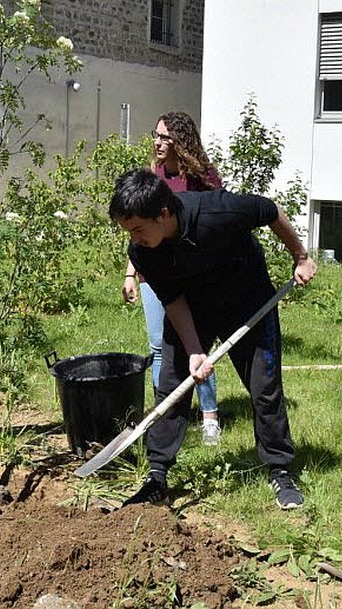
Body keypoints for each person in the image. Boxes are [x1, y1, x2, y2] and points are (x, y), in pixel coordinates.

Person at [109, 169, 317, 510]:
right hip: (193, 308)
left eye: (137, 229)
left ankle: (280, 469)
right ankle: (157, 476)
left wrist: (301, 257)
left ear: (162, 214)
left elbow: (270, 210)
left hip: (248, 301)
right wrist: (194, 351)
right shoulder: (144, 252)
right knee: (172, 388)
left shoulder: (218, 211)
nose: (133, 239)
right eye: (128, 231)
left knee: (264, 387)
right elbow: (172, 299)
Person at [122, 111, 224, 446]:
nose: (158, 142)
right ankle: (164, 413)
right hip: (155, 276)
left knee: (199, 346)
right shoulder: (153, 178)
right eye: (156, 135)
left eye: (165, 137)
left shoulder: (204, 179)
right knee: (159, 346)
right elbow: (138, 232)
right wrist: (130, 274)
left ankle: (209, 417)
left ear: (181, 140)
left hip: (193, 275)